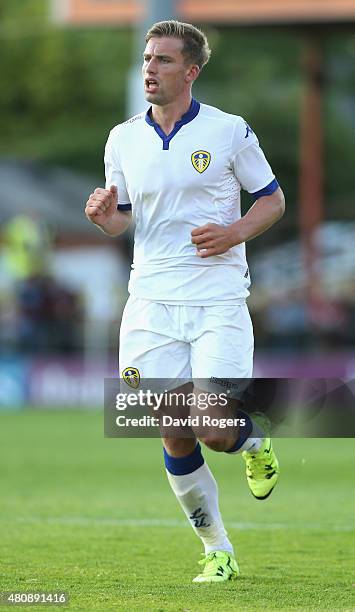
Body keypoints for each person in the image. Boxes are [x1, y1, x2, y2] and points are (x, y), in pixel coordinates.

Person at [85, 20, 285, 584]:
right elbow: (124, 219)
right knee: (172, 429)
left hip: (217, 299)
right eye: (148, 59)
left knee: (215, 429)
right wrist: (105, 219)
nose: (150, 68)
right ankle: (216, 550)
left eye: (164, 60)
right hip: (149, 303)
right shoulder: (122, 138)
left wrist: (234, 233)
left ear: (191, 71)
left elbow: (271, 200)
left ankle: (254, 440)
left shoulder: (228, 131)